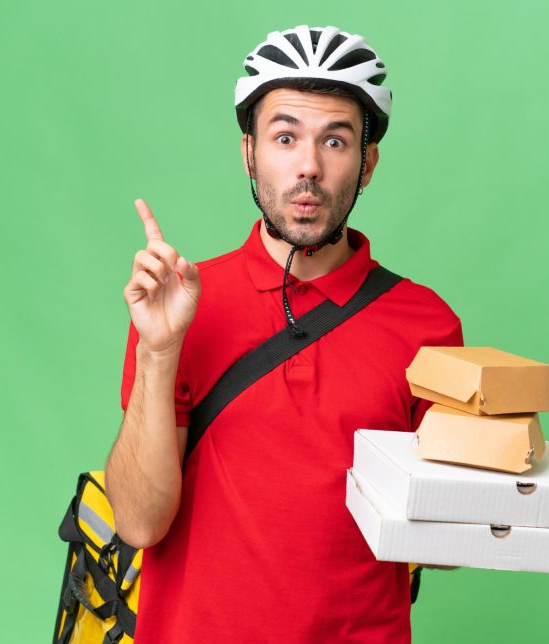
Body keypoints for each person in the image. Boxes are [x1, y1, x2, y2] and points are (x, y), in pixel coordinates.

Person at [105, 25, 463, 643]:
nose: (308, 166)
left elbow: (448, 545)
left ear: (367, 163)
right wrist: (161, 351)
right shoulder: (182, 302)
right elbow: (138, 523)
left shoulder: (426, 324)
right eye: (285, 136)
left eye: (335, 140)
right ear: (249, 153)